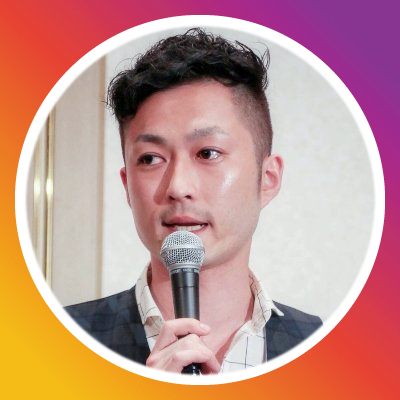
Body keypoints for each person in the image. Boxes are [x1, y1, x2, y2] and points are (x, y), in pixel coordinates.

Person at [66, 28, 322, 374]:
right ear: (127, 186)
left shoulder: (322, 344)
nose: (178, 186)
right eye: (151, 158)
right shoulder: (59, 339)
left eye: (208, 153)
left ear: (267, 178)